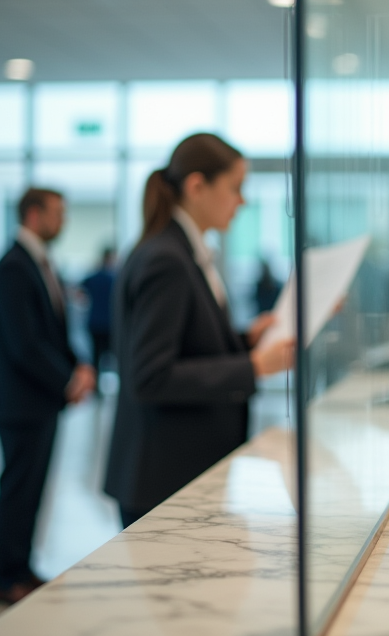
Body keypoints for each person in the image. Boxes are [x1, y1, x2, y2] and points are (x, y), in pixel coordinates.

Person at [104, 134, 294, 528]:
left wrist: (244, 341)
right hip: (163, 477)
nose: (242, 202)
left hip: (177, 468)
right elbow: (152, 376)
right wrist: (253, 366)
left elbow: (188, 345)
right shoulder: (166, 259)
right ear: (196, 187)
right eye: (235, 188)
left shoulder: (180, 251)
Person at [0, 188, 96, 609]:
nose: (63, 222)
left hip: (39, 401)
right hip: (19, 403)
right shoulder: (13, 266)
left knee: (32, 490)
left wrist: (78, 367)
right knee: (17, 489)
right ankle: (7, 578)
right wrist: (68, 380)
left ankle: (23, 567)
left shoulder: (39, 262)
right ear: (33, 214)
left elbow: (54, 329)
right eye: (57, 214)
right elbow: (23, 343)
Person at [80, 247, 117, 390]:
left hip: (94, 323)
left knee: (96, 357)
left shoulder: (93, 276)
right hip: (109, 323)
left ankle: (95, 388)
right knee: (115, 356)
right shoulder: (114, 277)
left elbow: (78, 291)